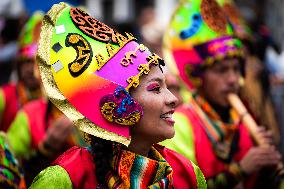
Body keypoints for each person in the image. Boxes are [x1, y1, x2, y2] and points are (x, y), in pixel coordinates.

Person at [29, 3, 207, 189]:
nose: (173, 99)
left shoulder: (187, 174)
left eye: (167, 87)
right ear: (118, 104)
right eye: (155, 88)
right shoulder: (66, 179)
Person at [161, 0, 282, 188]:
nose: (233, 79)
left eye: (236, 69)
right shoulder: (180, 126)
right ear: (199, 77)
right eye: (222, 70)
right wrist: (239, 170)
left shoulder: (245, 119)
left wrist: (269, 175)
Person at [0, 12, 43, 131]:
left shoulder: (53, 105)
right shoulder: (4, 96)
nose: (29, 70)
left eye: (36, 63)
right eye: (26, 63)